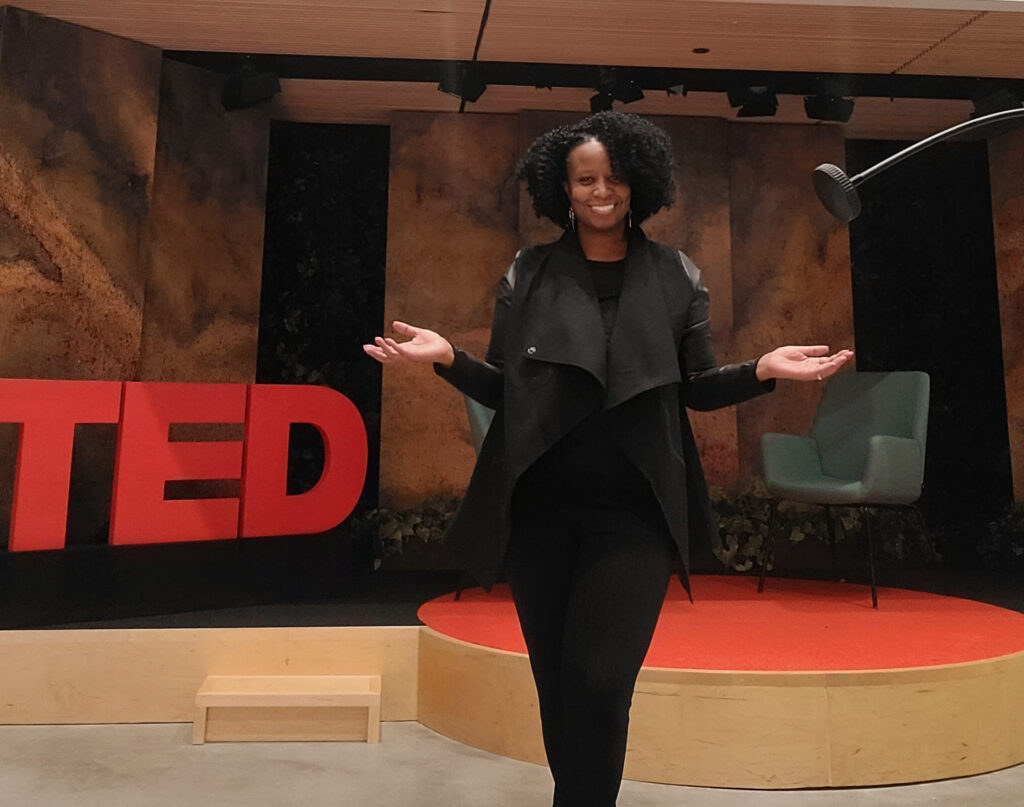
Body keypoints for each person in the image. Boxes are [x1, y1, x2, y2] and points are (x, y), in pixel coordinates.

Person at [364, 111, 852, 807]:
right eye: (585, 179)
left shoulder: (676, 276)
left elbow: (697, 389)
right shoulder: (527, 273)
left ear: (638, 184)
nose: (601, 191)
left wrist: (763, 369)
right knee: (562, 693)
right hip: (541, 513)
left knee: (599, 684)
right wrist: (447, 359)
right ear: (562, 190)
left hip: (635, 516)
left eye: (615, 178)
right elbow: (512, 391)